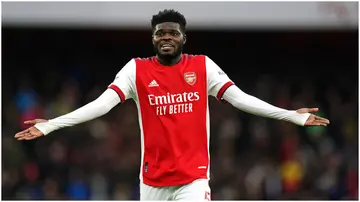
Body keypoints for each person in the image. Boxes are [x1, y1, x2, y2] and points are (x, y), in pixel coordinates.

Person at [15, 9, 330, 201]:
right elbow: (100, 105)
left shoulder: (203, 67)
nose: (167, 37)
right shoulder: (136, 69)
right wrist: (51, 123)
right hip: (152, 181)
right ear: (153, 38)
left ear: (183, 38)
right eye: (160, 33)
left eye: (173, 33)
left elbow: (240, 99)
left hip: (193, 179)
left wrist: (291, 115)